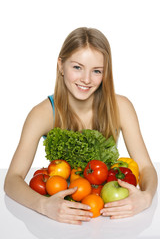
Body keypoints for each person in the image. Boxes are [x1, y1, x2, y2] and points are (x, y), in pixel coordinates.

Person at [4, 27, 158, 225]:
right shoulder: (42, 114)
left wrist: (145, 198)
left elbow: (146, 167)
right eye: (77, 67)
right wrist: (43, 205)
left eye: (96, 71)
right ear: (61, 65)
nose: (86, 79)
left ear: (105, 72)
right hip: (62, 218)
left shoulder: (121, 107)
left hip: (106, 214)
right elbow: (11, 180)